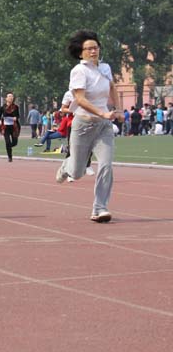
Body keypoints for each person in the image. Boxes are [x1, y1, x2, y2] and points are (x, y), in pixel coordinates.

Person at [55, 30, 123, 223]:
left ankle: (100, 208)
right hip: (83, 125)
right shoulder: (79, 71)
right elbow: (80, 99)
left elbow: (112, 88)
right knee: (77, 172)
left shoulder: (105, 68)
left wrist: (117, 110)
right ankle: (66, 167)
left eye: (96, 47)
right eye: (89, 49)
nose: (94, 51)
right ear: (80, 52)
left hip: (103, 127)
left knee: (106, 165)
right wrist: (102, 112)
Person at [0, 92, 20, 162]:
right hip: (5, 127)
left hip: (14, 127)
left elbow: (18, 115)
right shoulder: (3, 107)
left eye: (12, 96)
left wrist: (16, 118)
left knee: (15, 142)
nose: (11, 98)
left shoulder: (15, 107)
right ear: (6, 98)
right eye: (9, 96)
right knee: (7, 142)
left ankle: (8, 147)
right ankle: (10, 157)